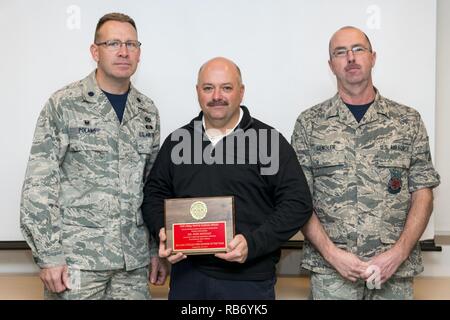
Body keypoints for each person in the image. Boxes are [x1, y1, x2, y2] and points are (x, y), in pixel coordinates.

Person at [20, 12, 167, 300]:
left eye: (131, 44)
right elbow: (39, 185)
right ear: (95, 51)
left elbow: (151, 189)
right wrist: (48, 255)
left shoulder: (147, 111)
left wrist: (154, 250)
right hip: (77, 262)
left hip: (132, 264)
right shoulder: (64, 104)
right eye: (113, 43)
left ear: (139, 53)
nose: (124, 51)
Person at [142, 57, 313, 300]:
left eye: (227, 88)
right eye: (208, 88)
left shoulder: (269, 142)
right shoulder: (177, 142)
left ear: (241, 92)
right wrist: (163, 230)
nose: (217, 96)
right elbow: (153, 196)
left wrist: (252, 244)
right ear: (198, 92)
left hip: (249, 283)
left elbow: (298, 203)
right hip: (188, 279)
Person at [292, 26, 440, 299]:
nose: (350, 57)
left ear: (373, 57)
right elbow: (300, 199)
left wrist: (398, 254)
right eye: (340, 52)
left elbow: (423, 194)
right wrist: (332, 255)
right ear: (331, 65)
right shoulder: (309, 124)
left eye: (358, 49)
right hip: (331, 274)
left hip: (394, 271)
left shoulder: (407, 121)